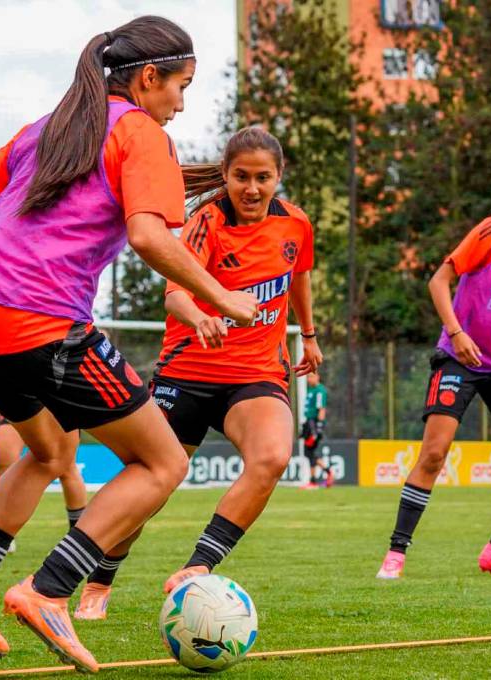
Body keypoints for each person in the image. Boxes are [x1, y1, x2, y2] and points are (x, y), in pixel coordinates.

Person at [0, 16, 257, 672]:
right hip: (42, 326)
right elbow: (148, 236)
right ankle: (49, 590)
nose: (181, 104)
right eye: (180, 87)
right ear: (146, 78)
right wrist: (221, 298)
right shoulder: (140, 133)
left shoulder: (44, 130)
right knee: (162, 462)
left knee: (51, 452)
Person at [73, 126, 323, 620]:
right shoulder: (205, 222)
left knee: (272, 457)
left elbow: (299, 276)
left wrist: (310, 334)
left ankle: (198, 567)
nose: (252, 188)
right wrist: (202, 316)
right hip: (187, 373)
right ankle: (98, 583)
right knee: (149, 483)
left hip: (255, 374)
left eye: (263, 178)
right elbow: (174, 294)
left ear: (279, 177)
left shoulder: (296, 224)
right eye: (241, 177)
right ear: (226, 176)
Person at [376, 168, 491, 579]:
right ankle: (396, 554)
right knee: (435, 453)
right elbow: (439, 281)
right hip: (461, 356)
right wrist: (456, 333)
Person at [0, 399, 88, 553]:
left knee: (67, 468)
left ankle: (79, 536)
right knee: (4, 461)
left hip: (55, 399)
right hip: (21, 398)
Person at [299, 371, 333, 489]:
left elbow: (321, 409)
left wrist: (318, 427)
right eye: (308, 377)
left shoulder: (320, 390)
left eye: (311, 376)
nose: (309, 379)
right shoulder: (310, 390)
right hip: (308, 423)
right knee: (309, 452)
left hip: (314, 424)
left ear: (318, 377)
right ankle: (327, 472)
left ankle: (313, 481)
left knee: (310, 452)